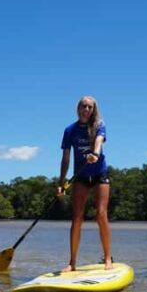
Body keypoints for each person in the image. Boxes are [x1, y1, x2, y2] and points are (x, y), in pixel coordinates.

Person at [57, 96, 113, 271]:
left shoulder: (99, 125)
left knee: (101, 214)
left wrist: (95, 154)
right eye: (83, 106)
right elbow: (66, 158)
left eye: (90, 107)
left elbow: (99, 141)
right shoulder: (70, 130)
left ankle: (107, 258)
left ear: (93, 110)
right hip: (80, 176)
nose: (86, 109)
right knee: (77, 218)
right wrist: (61, 182)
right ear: (78, 108)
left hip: (99, 174)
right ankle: (72, 262)